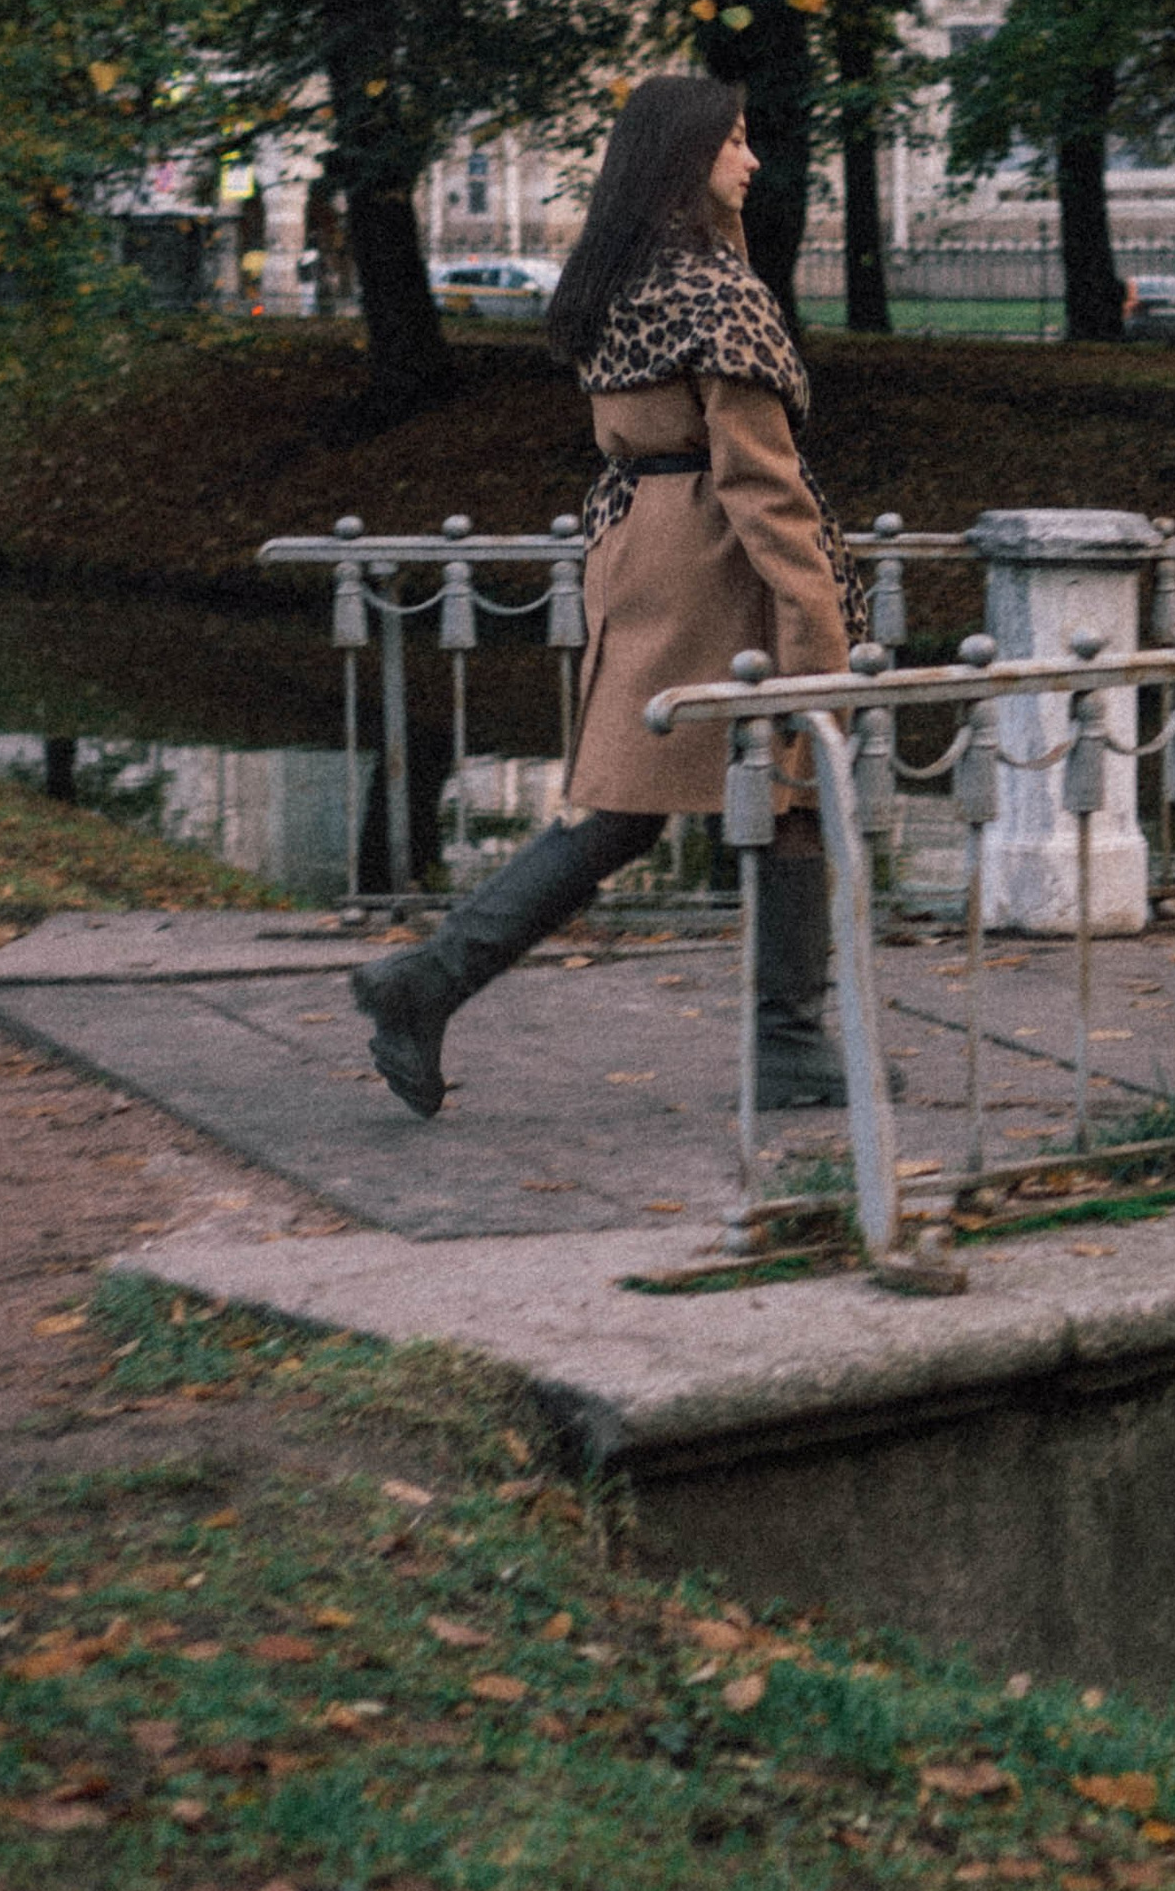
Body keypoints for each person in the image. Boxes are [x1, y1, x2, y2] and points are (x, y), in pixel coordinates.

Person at [350, 75, 861, 1119]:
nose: (751, 162)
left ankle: (428, 982)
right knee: (792, 784)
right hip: (717, 562)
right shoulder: (719, 295)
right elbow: (763, 484)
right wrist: (820, 640)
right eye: (734, 142)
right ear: (687, 160)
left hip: (639, 544)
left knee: (626, 809)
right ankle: (789, 1045)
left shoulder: (615, 279)